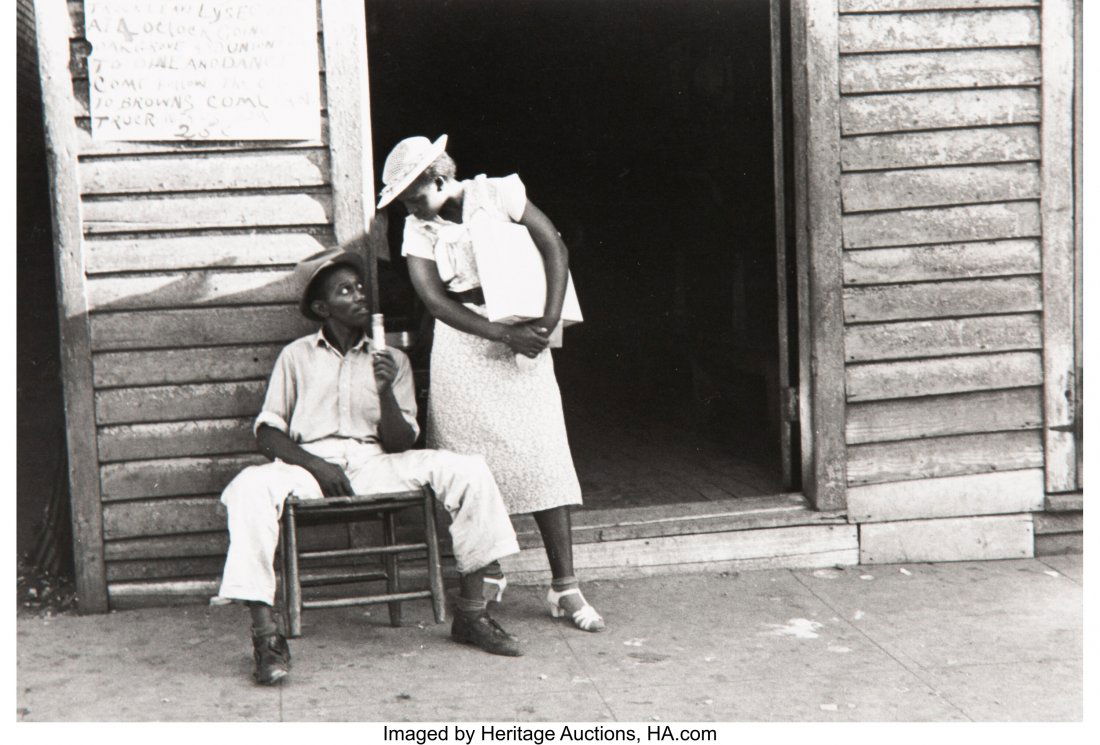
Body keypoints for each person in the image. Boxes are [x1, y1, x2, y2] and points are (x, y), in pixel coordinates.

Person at [213, 248, 525, 686]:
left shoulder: (390, 360)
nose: (359, 296)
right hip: (309, 467)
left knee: (469, 470)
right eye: (346, 291)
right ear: (322, 309)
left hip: (373, 463)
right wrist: (314, 465)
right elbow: (268, 432)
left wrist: (384, 393)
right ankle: (266, 638)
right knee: (248, 487)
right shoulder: (297, 356)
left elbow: (402, 442)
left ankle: (472, 615)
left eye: (361, 288)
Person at [377, 134, 605, 633]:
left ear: (438, 178)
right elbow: (436, 302)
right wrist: (501, 333)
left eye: (414, 194)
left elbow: (555, 247)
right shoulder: (418, 229)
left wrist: (546, 325)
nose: (409, 206)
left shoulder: (499, 194)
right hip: (464, 344)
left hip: (526, 333)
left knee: (542, 454)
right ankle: (490, 571)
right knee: (472, 463)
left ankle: (564, 584)